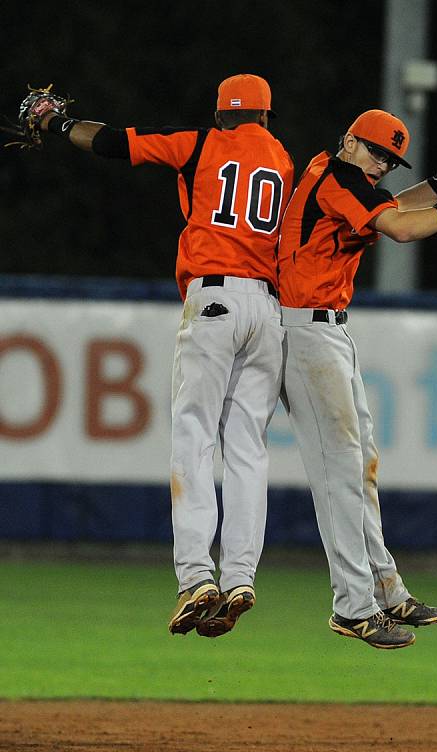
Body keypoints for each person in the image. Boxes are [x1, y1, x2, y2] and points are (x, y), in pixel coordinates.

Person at [38, 74, 294, 638]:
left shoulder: (201, 143)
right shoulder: (284, 161)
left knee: (194, 437)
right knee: (249, 450)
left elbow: (111, 142)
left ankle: (196, 576)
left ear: (221, 113)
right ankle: (242, 576)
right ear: (266, 116)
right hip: (269, 308)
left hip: (215, 302)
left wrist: (57, 124)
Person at [277, 109, 437, 650]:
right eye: (377, 152)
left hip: (327, 330)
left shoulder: (347, 180)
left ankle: (386, 589)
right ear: (349, 141)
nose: (383, 165)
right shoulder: (335, 178)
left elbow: (399, 206)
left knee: (362, 466)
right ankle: (353, 607)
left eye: (391, 159)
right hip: (302, 331)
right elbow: (402, 226)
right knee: (339, 473)